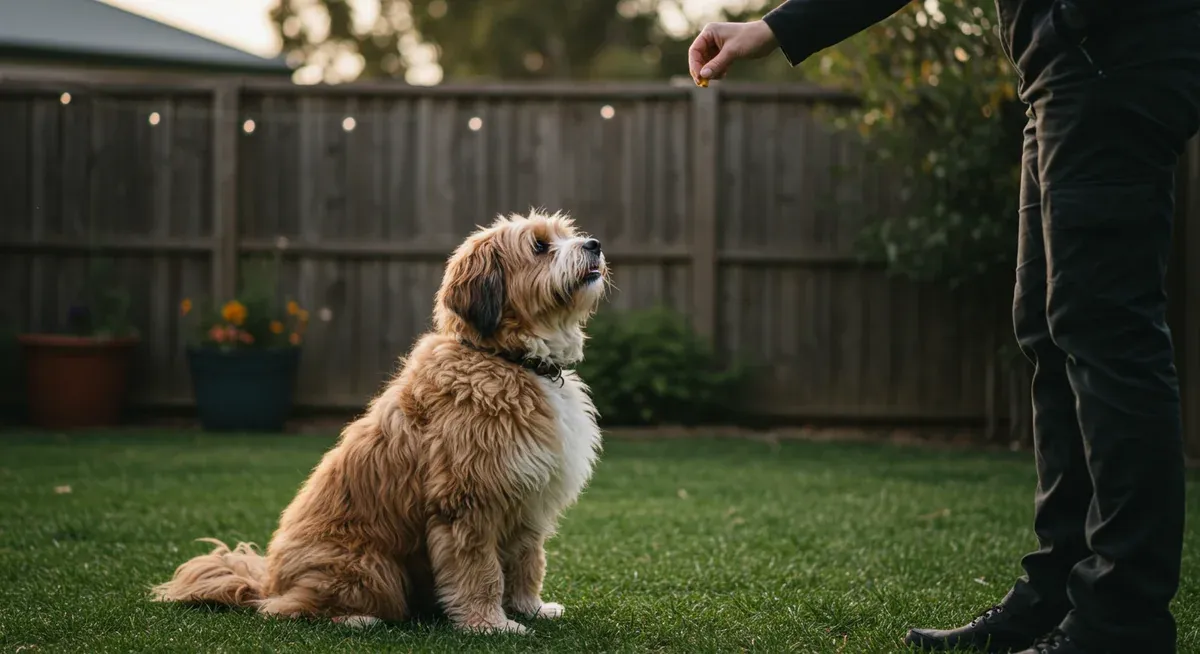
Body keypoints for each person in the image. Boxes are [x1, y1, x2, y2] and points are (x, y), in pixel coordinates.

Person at [688, 1, 1200, 653]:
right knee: (1048, 324)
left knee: (1105, 329)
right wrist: (777, 27)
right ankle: (1060, 590)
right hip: (1062, 63)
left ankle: (1121, 620)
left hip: (1115, 46)